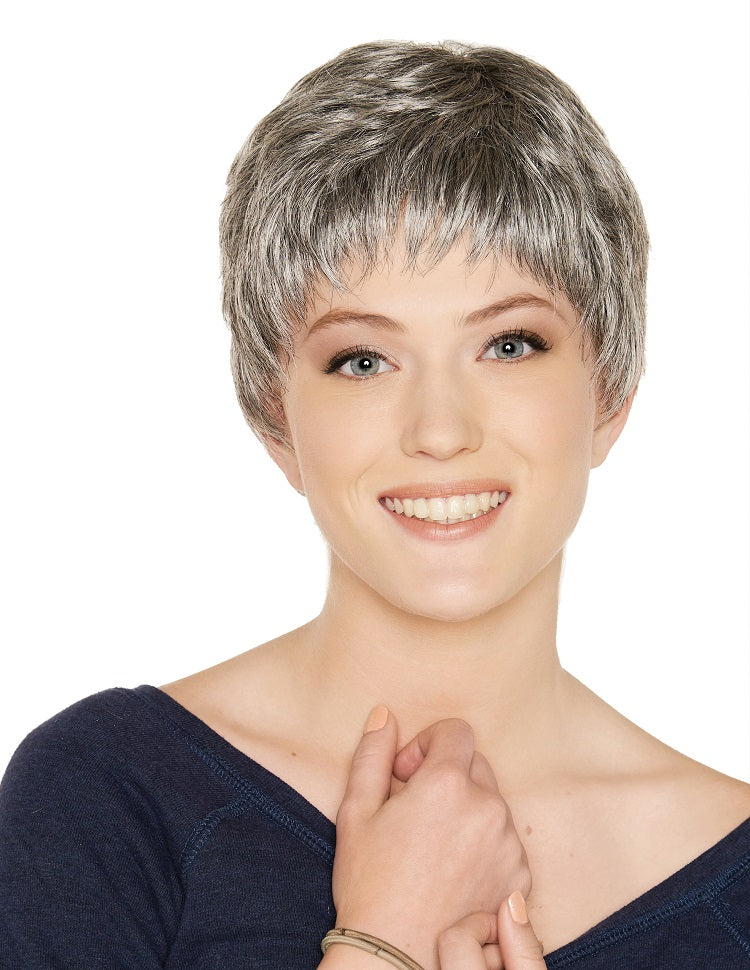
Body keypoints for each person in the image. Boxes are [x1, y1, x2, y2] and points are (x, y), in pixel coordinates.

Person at [1, 40, 748, 970]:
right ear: (275, 419)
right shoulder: (108, 800)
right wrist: (382, 939)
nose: (440, 430)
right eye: (363, 360)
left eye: (510, 345)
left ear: (612, 393)